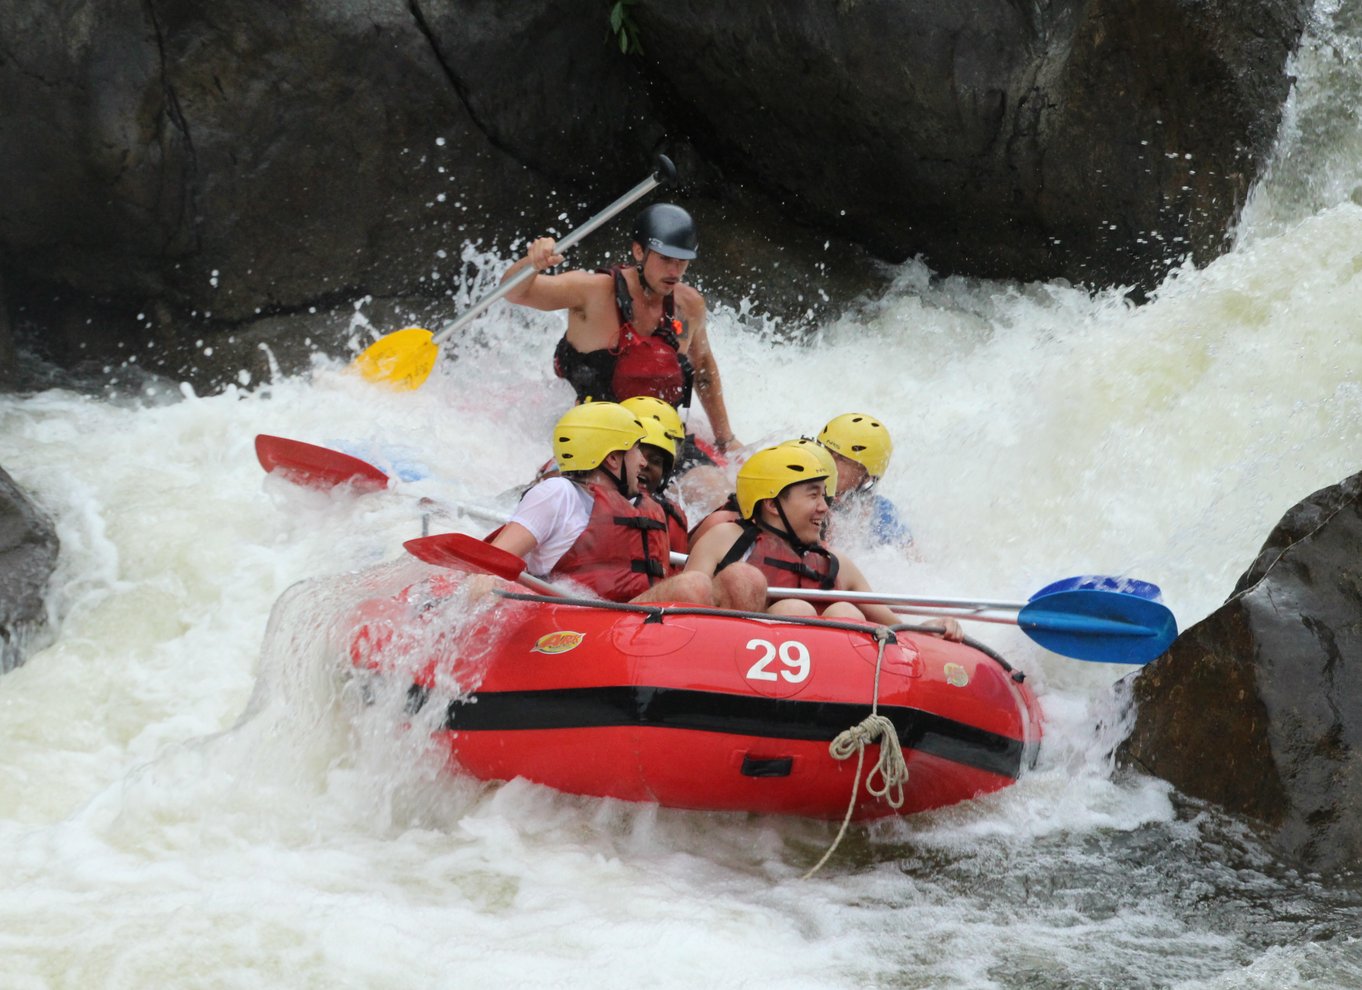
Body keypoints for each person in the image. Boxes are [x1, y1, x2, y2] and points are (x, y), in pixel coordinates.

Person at [500, 203, 740, 466]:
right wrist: (532, 263)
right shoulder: (592, 291)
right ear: (639, 251)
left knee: (722, 495)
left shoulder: (689, 304)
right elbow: (514, 292)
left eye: (681, 261)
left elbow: (703, 371)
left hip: (658, 440)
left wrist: (725, 440)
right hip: (593, 436)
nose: (674, 271)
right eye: (665, 259)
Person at [489, 402, 763, 609]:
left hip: (628, 621)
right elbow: (492, 563)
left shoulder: (644, 508)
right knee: (693, 585)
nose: (643, 463)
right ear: (612, 459)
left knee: (745, 579)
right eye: (636, 451)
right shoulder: (558, 493)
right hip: (576, 624)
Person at [685, 445, 961, 637]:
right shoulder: (724, 539)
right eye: (813, 495)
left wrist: (932, 628)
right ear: (771, 502)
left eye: (824, 497)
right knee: (791, 606)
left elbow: (895, 627)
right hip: (725, 655)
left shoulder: (836, 562)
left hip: (813, 685)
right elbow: (686, 602)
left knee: (846, 611)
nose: (824, 508)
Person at [818, 412, 913, 547]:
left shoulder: (880, 512)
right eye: (826, 451)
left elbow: (912, 559)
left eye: (841, 459)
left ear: (866, 475)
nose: (828, 461)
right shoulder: (799, 490)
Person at [620, 395, 690, 555]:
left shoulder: (670, 515)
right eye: (637, 452)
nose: (644, 464)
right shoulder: (575, 493)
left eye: (656, 460)